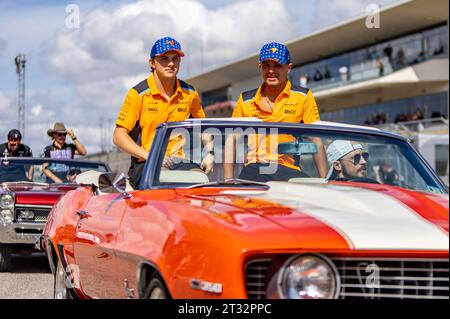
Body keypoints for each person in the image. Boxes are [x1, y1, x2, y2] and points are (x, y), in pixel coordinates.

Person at [113, 36, 214, 189]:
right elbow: (118, 136)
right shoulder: (138, 94)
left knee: (200, 183)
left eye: (175, 58)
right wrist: (148, 154)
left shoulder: (190, 92)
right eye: (164, 59)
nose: (171, 63)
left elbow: (202, 126)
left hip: (179, 161)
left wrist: (210, 152)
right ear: (152, 63)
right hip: (146, 162)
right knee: (165, 182)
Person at [224, 42, 328, 181]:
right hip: (255, 168)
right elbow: (232, 140)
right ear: (260, 67)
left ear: (288, 68)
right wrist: (228, 181)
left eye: (277, 65)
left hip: (290, 171)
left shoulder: (303, 96)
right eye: (267, 65)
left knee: (307, 194)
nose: (271, 70)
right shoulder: (245, 100)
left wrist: (325, 181)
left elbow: (316, 139)